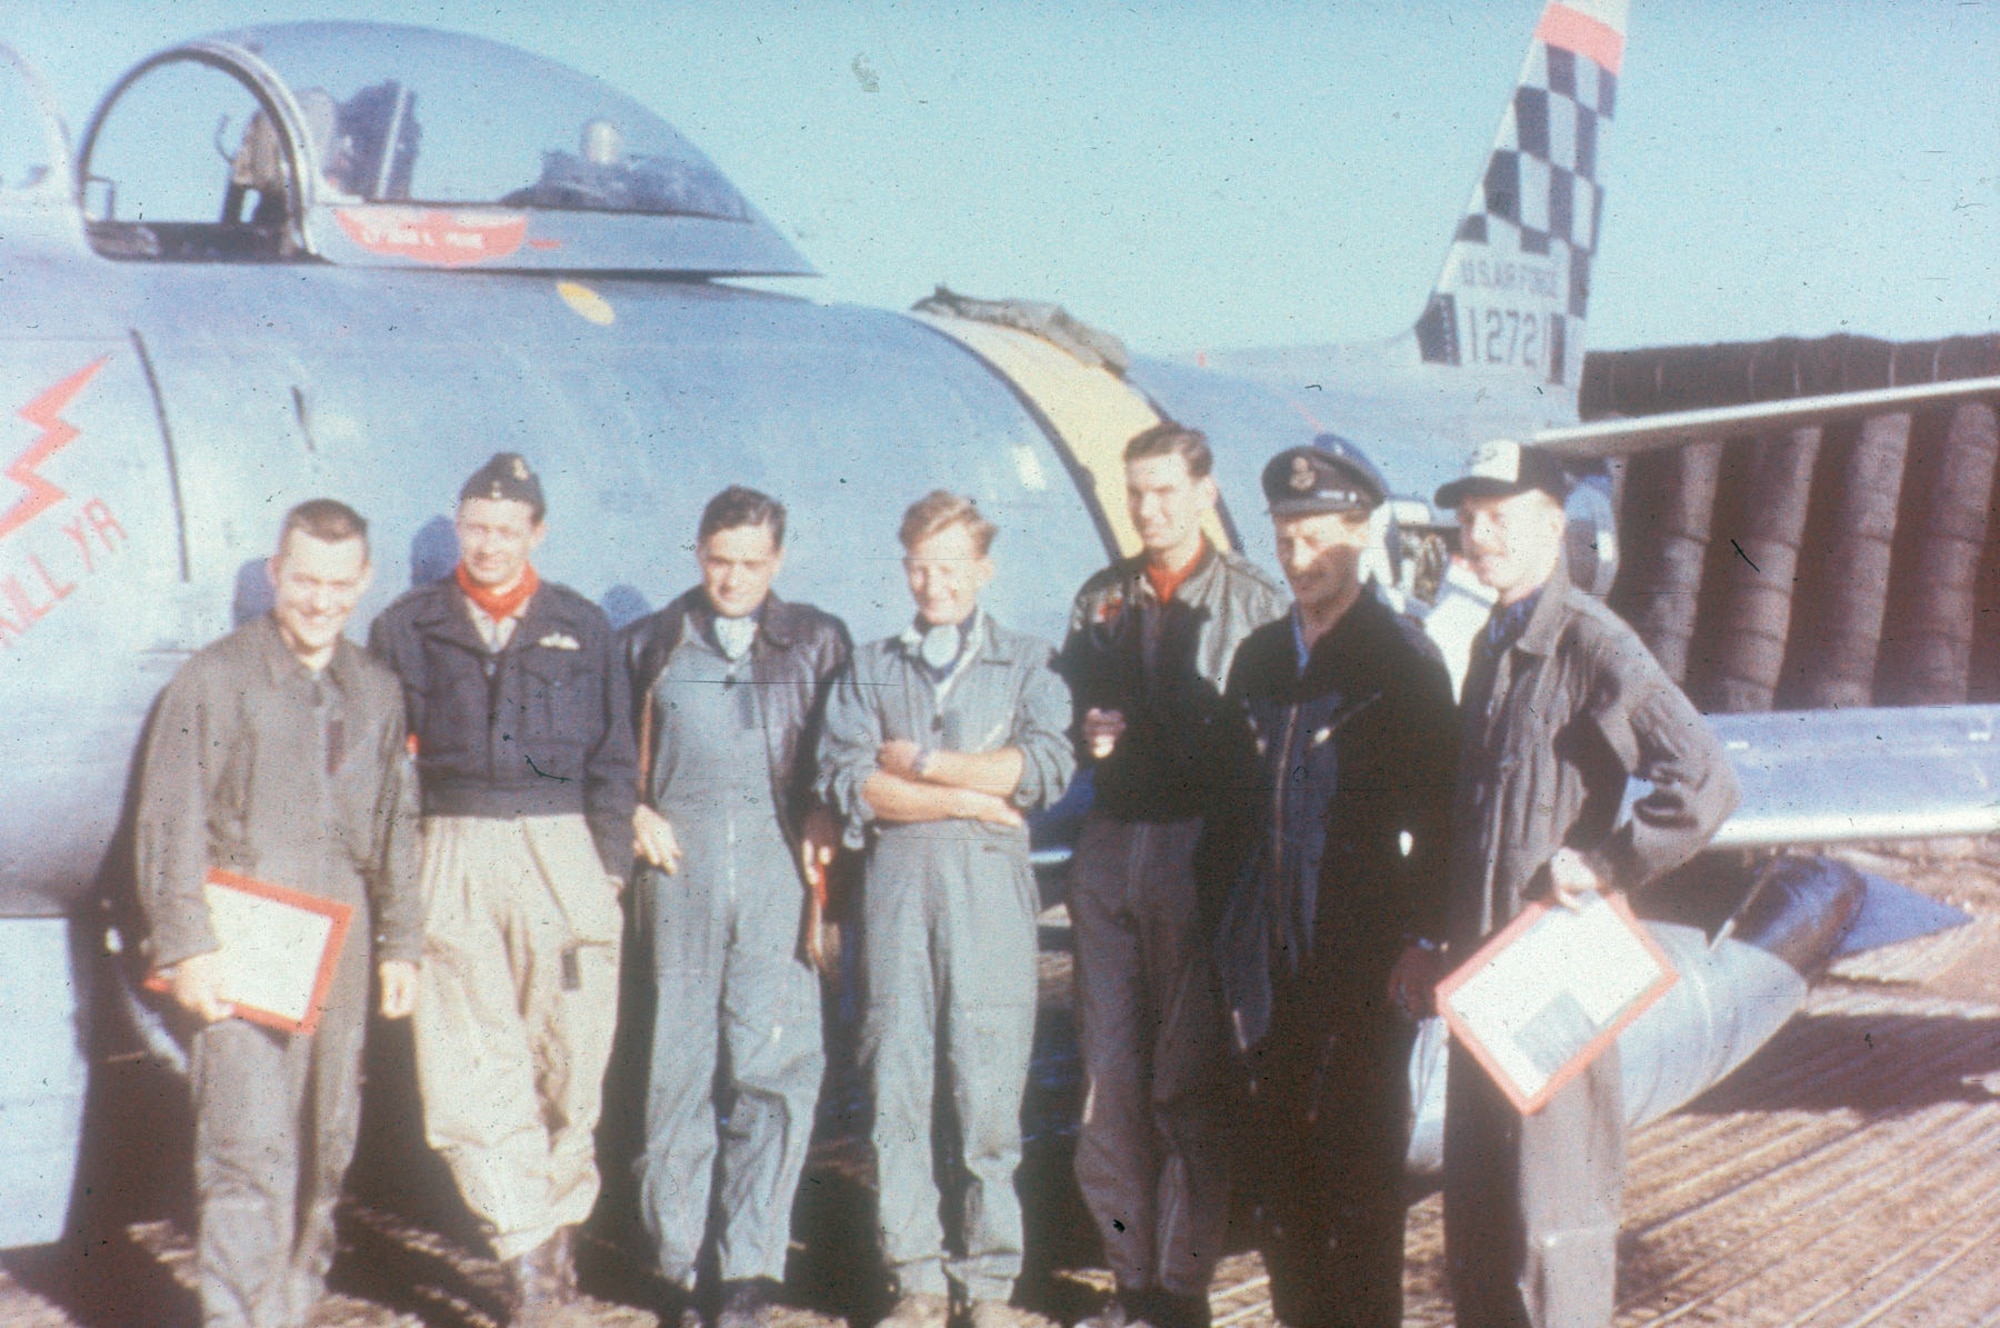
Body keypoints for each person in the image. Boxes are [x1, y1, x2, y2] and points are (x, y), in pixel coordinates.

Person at [1433, 440, 1740, 1328]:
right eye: (1467, 519)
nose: (1480, 536)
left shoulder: (1592, 642)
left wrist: (1607, 865)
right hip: (1482, 979)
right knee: (1482, 1222)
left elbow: (1707, 780)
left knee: (1552, 1226)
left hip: (1548, 978)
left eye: (1501, 515)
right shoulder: (1496, 648)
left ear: (1553, 524)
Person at [135, 499, 422, 1328]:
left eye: (339, 584)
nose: (321, 601)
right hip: (247, 930)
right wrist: (189, 944)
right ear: (275, 574)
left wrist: (401, 942)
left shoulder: (375, 689)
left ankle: (290, 1304)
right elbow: (171, 817)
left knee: (329, 1142)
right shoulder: (215, 679)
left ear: (364, 582)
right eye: (305, 581)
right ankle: (237, 1316)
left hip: (347, 928)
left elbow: (398, 824)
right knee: (246, 1147)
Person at [369, 453, 637, 1323]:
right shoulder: (408, 627)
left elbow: (614, 762)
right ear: (459, 524)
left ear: (536, 533)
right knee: (469, 1068)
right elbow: (390, 775)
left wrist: (606, 872)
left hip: (560, 855)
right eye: (475, 528)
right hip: (452, 846)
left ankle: (553, 1241)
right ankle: (529, 1266)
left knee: (570, 1067)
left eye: (506, 530)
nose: (487, 546)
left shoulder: (581, 626)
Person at [1204, 442, 1457, 1328]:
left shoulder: (1401, 664)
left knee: (1359, 1190)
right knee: (1279, 1189)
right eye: (1283, 533)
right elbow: (1233, 814)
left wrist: (1424, 941)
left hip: (1360, 958)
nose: (1296, 553)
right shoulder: (1261, 662)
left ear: (1360, 534)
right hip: (1266, 965)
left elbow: (1442, 820)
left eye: (1316, 534)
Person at [818, 491, 1075, 1328]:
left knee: (988, 1085)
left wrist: (927, 763)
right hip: (896, 894)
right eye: (921, 567)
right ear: (905, 570)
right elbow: (855, 781)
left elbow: (1039, 768)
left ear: (983, 570)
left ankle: (989, 1282)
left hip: (990, 901)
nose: (935, 584)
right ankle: (917, 1278)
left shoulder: (1028, 662)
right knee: (894, 1081)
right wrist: (965, 797)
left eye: (951, 566)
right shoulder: (869, 666)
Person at [1055, 422, 1287, 1328]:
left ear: (1202, 489)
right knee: (1108, 1084)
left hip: (1203, 854)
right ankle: (1130, 1282)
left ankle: (1180, 1291)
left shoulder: (1251, 601)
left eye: (1164, 492)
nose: (1148, 511)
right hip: (1113, 849)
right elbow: (1069, 711)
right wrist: (1089, 735)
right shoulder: (1100, 600)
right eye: (1135, 494)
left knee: (1185, 1085)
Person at [619, 487, 850, 1328]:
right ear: (698, 553)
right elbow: (605, 758)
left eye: (753, 563)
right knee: (671, 1076)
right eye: (720, 560)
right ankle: (680, 1269)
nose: (735, 577)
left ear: (777, 561)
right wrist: (631, 809)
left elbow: (842, 744)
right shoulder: (648, 643)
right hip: (676, 875)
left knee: (774, 1073)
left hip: (776, 866)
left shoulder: (818, 641)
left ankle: (748, 1271)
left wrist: (827, 806)